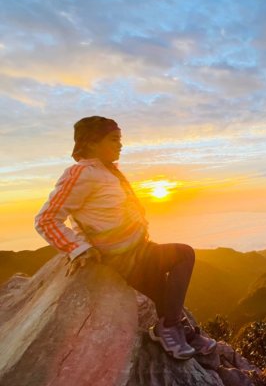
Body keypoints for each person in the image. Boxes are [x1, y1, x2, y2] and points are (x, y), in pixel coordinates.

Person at [34, 116, 216, 360]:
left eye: (120, 140)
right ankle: (170, 328)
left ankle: (177, 327)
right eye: (114, 139)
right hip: (117, 258)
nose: (120, 145)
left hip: (137, 249)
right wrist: (78, 248)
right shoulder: (80, 173)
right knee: (184, 254)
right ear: (91, 142)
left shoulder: (109, 171)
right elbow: (46, 219)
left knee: (165, 284)